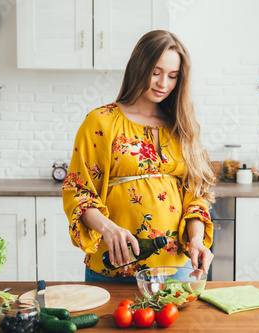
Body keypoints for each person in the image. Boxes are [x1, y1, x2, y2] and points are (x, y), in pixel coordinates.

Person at [62, 30, 216, 282]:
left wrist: (197, 239)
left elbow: (196, 196)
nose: (163, 84)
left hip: (176, 266)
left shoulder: (182, 127)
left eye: (173, 76)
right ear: (138, 67)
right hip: (117, 263)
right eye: (155, 72)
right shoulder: (101, 121)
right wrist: (108, 229)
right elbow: (79, 193)